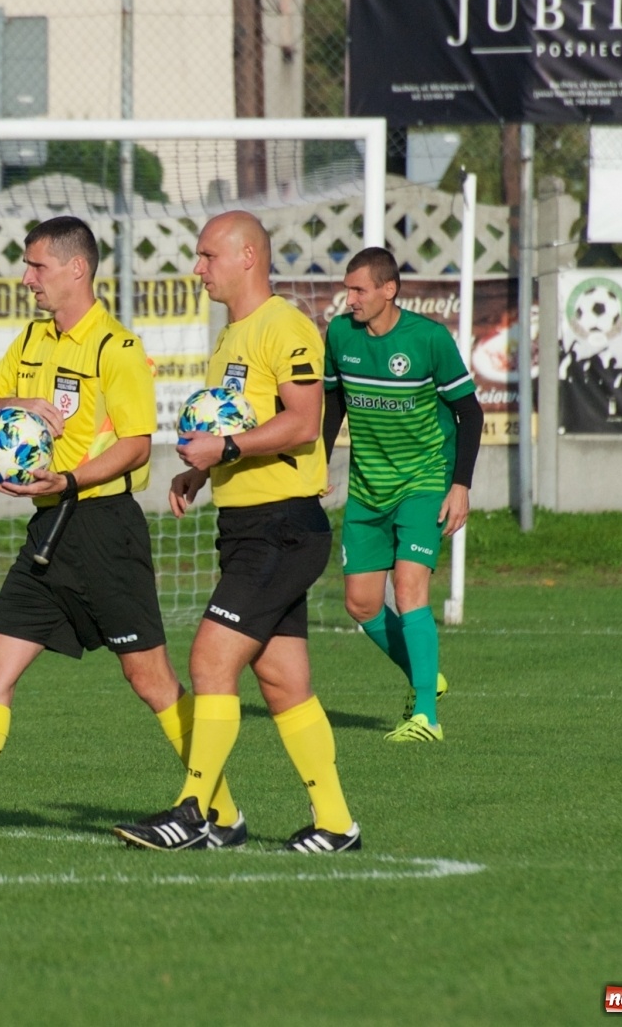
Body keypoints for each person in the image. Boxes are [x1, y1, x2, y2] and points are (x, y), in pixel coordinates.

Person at [0, 216, 241, 848]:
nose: (26, 277)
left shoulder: (115, 348)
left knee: (149, 681)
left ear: (76, 269)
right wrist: (11, 407)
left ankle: (220, 813)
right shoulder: (34, 341)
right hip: (49, 532)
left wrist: (67, 480)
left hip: (103, 529)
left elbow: (135, 447)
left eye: (37, 266)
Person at [111, 211, 360, 853]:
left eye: (207, 256)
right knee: (282, 683)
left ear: (249, 256)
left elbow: (305, 423)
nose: (198, 269)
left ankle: (199, 813)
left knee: (209, 658)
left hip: (283, 526)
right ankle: (337, 823)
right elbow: (243, 433)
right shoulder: (230, 338)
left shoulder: (287, 327)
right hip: (246, 524)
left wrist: (224, 449)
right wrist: (205, 470)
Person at [322, 246, 482, 743]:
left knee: (409, 588)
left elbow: (469, 413)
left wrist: (460, 485)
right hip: (369, 488)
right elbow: (333, 403)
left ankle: (426, 718)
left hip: (424, 482)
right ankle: (423, 675)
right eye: (347, 289)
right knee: (362, 605)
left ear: (389, 290)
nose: (349, 300)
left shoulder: (429, 339)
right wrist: (318, 464)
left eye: (359, 290)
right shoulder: (340, 334)